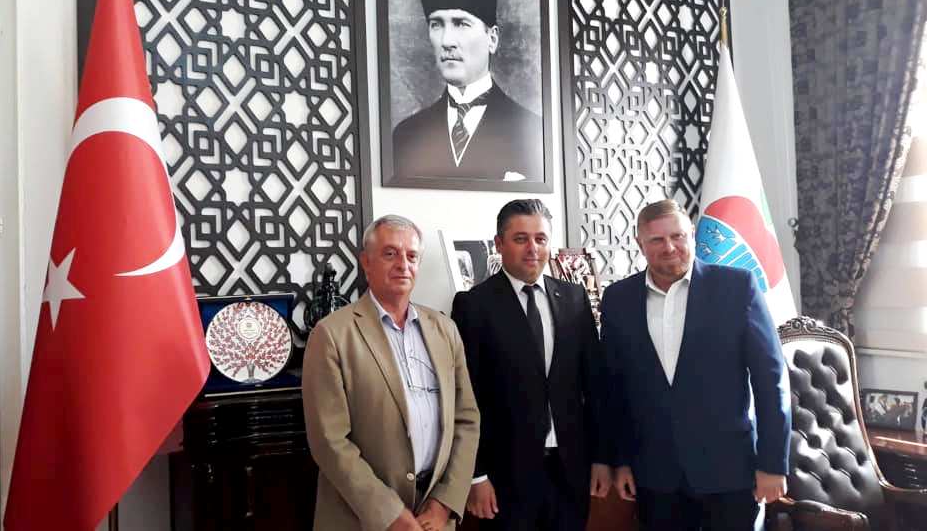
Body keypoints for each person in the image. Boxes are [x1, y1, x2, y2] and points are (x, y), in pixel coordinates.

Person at [599, 199, 792, 530]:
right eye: (657, 240)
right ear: (640, 244)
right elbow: (614, 390)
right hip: (655, 475)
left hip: (728, 471)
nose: (669, 247)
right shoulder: (618, 299)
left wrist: (773, 463)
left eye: (677, 236)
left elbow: (771, 379)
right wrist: (621, 460)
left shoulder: (737, 287)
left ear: (692, 234)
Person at [302, 215, 480, 531]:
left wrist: (445, 503)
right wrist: (390, 514)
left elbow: (466, 420)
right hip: (362, 518)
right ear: (366, 262)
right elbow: (329, 441)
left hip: (433, 516)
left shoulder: (444, 329)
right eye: (390, 254)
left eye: (411, 256)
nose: (403, 265)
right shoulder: (332, 334)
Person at [451, 199, 611, 530]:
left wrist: (601, 458)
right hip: (505, 477)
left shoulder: (574, 298)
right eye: (520, 239)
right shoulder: (473, 305)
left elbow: (595, 386)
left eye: (540, 239)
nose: (532, 249)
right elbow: (465, 397)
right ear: (499, 244)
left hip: (570, 472)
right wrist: (476, 475)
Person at [392, 0, 543, 183]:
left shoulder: (534, 132)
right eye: (436, 24)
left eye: (461, 24)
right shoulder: (407, 135)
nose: (446, 41)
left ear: (492, 39)